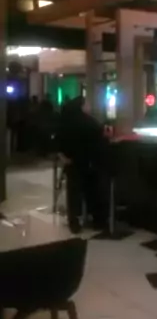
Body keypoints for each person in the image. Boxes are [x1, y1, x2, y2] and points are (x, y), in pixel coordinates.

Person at [56, 96, 107, 234]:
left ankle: (74, 222)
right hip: (88, 162)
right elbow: (100, 141)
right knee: (92, 191)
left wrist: (63, 156)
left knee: (74, 193)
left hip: (72, 163)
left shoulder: (66, 121)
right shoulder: (91, 122)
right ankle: (98, 220)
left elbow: (59, 141)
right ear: (82, 106)